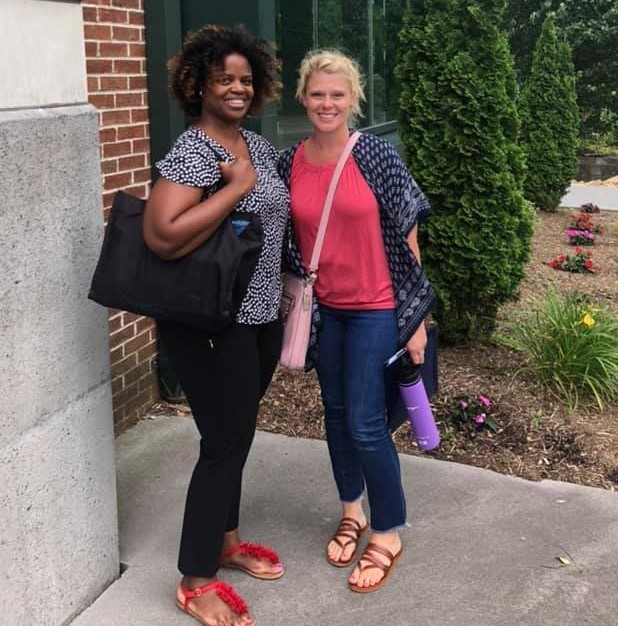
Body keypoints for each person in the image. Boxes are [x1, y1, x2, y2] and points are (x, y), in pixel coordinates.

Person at [143, 24, 289, 626]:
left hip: (257, 318)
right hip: (211, 322)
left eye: (245, 80)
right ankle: (195, 577)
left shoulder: (254, 143)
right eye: (223, 78)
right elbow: (161, 234)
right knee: (223, 444)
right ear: (197, 84)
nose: (236, 88)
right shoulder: (195, 151)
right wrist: (238, 190)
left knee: (237, 436)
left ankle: (225, 542)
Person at [277, 50, 435, 593]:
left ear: (353, 100)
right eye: (317, 94)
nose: (326, 103)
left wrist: (416, 320)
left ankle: (388, 531)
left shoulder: (375, 156)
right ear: (303, 97)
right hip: (325, 310)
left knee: (367, 423)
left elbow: (410, 233)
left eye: (337, 95)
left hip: (375, 307)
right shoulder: (289, 160)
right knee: (336, 414)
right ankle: (353, 511)